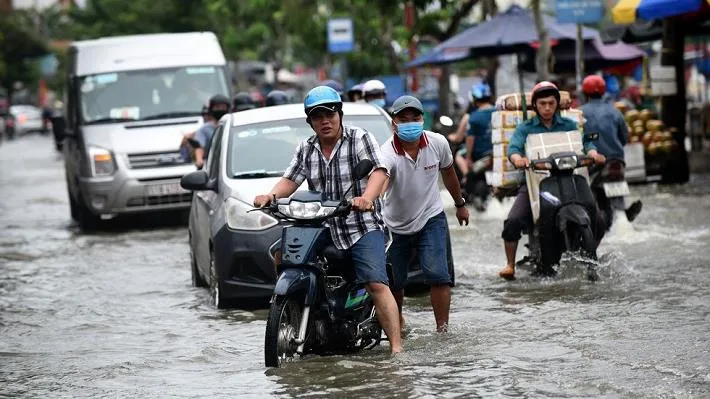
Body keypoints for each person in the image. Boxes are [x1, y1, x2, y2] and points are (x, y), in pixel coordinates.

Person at [252, 85, 403, 354]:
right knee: (280, 253)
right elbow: (291, 179)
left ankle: (396, 348)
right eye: (317, 116)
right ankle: (298, 309)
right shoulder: (306, 148)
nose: (325, 121)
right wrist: (270, 196)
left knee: (376, 283)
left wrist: (366, 198)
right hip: (321, 226)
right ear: (309, 121)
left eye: (330, 114)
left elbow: (379, 171)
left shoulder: (359, 138)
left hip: (361, 226)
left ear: (340, 114)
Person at [498, 81, 606, 280]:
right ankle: (510, 264)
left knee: (599, 218)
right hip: (534, 182)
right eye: (542, 104)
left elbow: (585, 141)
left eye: (551, 103)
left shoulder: (569, 124)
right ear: (535, 106)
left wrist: (593, 152)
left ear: (557, 104)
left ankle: (589, 250)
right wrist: (518, 159)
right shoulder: (526, 128)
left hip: (569, 178)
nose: (547, 108)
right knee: (513, 220)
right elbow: (514, 148)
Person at [380, 95, 470, 333]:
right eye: (404, 119)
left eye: (415, 118)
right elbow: (380, 181)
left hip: (431, 217)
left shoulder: (437, 143)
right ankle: (395, 324)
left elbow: (449, 173)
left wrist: (460, 204)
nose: (410, 123)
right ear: (394, 124)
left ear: (423, 120)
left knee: (438, 275)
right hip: (395, 224)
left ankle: (443, 329)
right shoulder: (386, 153)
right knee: (394, 282)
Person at [581, 75, 643, 222]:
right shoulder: (615, 111)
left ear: (584, 93)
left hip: (592, 163)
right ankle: (622, 214)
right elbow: (624, 138)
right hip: (616, 161)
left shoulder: (578, 113)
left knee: (584, 194)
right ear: (603, 92)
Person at [192, 94, 230, 168]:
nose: (220, 110)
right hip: (213, 166)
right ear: (211, 110)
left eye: (222, 107)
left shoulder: (232, 126)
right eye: (217, 107)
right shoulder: (204, 130)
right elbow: (199, 146)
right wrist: (199, 160)